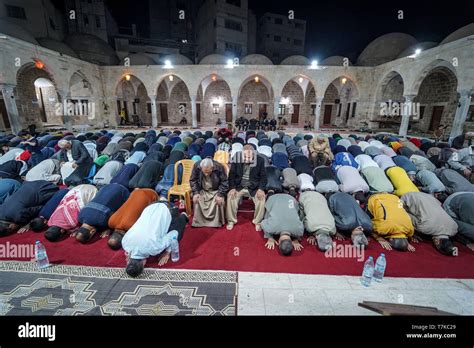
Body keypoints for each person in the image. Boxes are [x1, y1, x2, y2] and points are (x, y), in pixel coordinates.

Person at [122, 202, 189, 277]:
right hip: (150, 205)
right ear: (128, 262)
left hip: (169, 208)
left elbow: (174, 233)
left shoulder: (154, 248)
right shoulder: (125, 243)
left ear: (143, 263)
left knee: (176, 233)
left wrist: (167, 252)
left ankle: (183, 217)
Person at [401, 192, 458, 256]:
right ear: (437, 242)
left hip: (428, 196)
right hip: (406, 197)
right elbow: (406, 216)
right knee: (399, 211)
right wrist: (412, 234)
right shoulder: (425, 228)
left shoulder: (454, 228)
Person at [226, 145, 267, 231]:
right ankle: (231, 221)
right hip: (239, 186)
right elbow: (231, 175)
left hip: (254, 187)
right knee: (230, 196)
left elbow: (264, 177)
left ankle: (257, 221)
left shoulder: (260, 160)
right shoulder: (236, 159)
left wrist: (261, 189)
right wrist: (232, 188)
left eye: (249, 157)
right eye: (244, 157)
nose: (247, 159)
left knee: (261, 199)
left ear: (254, 155)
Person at [190, 158, 229, 228]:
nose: (206, 174)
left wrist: (220, 194)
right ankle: (199, 222)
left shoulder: (219, 167)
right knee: (198, 200)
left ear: (212, 168)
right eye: (204, 172)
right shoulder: (197, 166)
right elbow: (193, 180)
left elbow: (225, 182)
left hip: (216, 190)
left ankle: (216, 223)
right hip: (202, 190)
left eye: (208, 172)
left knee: (217, 201)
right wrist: (196, 192)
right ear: (201, 168)